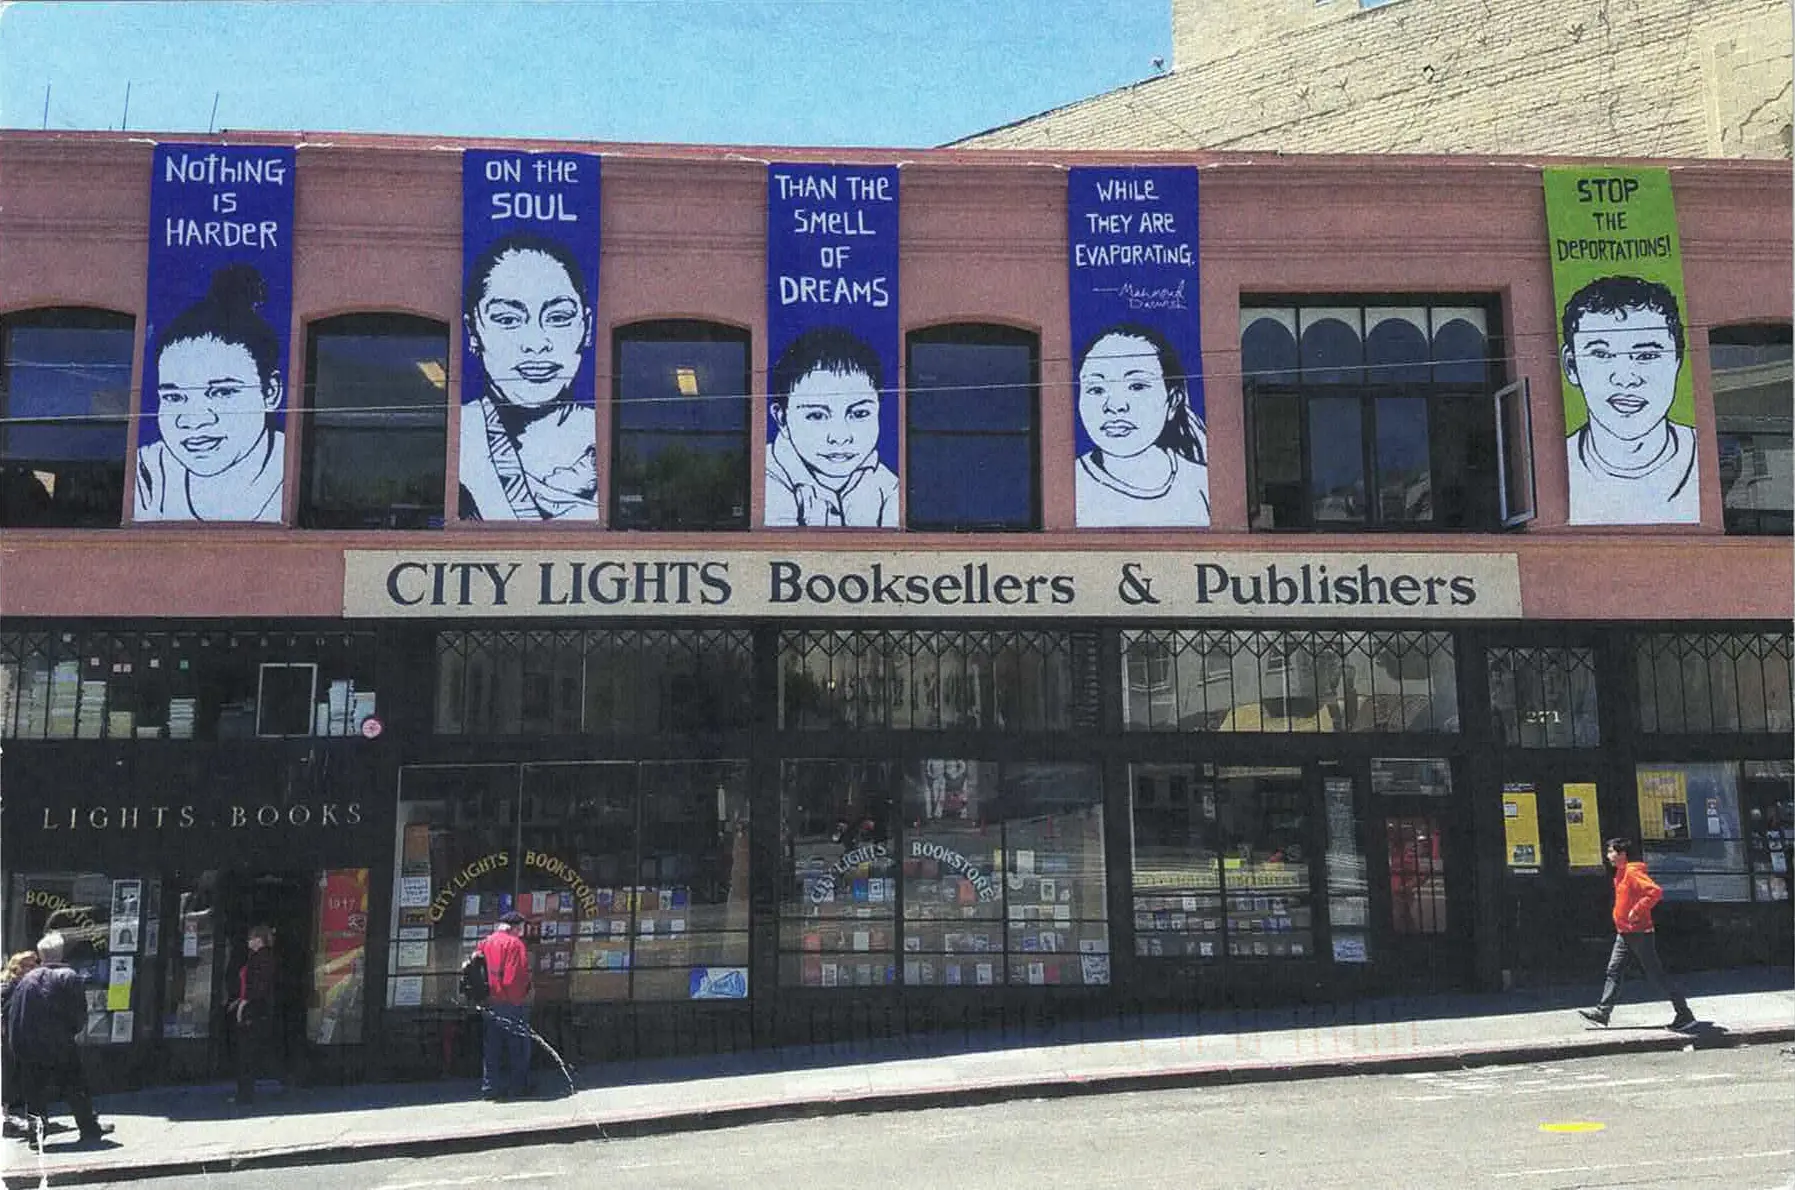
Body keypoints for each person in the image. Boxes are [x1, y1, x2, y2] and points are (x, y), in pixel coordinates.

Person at [459, 232, 598, 521]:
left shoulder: (608, 436)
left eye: (558, 317)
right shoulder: (463, 431)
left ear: (586, 327)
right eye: (508, 319)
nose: (536, 343)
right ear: (473, 331)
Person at [136, 264, 286, 523]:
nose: (193, 419)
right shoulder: (149, 473)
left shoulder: (297, 468)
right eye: (173, 397)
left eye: (222, 392)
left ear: (270, 393)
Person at [1559, 275, 1699, 525]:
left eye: (1646, 355)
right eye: (1601, 354)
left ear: (1677, 361)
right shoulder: (1556, 466)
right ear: (1571, 365)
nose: (1625, 379)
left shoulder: (1703, 455)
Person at [1074, 323, 1210, 527]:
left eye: (1137, 386)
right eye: (1096, 389)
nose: (1115, 406)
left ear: (1173, 400)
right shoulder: (1071, 482)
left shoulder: (1198, 483)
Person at [765, 326, 898, 527]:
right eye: (817, 415)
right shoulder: (768, 476)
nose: (840, 436)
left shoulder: (886, 485)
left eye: (859, 414)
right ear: (781, 419)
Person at [4, 933, 111, 1147]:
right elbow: (78, 1014)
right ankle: (88, 1127)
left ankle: (36, 1135)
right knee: (75, 1086)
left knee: (34, 1093)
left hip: (29, 1045)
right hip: (59, 1043)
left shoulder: (27, 980)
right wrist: (71, 1032)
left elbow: (16, 1012)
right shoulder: (69, 976)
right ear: (61, 953)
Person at [1579, 838, 1696, 1030]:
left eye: (1611, 852)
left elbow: (1654, 892)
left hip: (1640, 932)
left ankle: (1684, 1014)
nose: (1608, 856)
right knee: (1614, 971)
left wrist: (1637, 910)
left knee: (1656, 975)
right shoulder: (1621, 873)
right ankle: (1603, 1012)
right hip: (1625, 932)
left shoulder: (1632, 872)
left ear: (1622, 854)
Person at [475, 910, 533, 1100]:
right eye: (520, 928)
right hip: (510, 1001)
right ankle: (518, 1086)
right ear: (514, 928)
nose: (521, 932)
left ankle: (490, 1087)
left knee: (492, 1046)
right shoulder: (515, 945)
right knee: (518, 1045)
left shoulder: (486, 942)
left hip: (489, 1000)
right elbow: (513, 978)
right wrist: (520, 998)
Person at [227, 925, 277, 1105]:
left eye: (252, 938)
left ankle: (245, 1094)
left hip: (254, 1010)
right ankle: (244, 1092)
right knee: (244, 1052)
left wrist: (244, 1003)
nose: (249, 941)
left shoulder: (263, 958)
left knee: (246, 1053)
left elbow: (259, 986)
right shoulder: (255, 957)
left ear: (259, 940)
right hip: (248, 1006)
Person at [1, 949, 40, 1138]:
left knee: (12, 1078)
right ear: (18, 967)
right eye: (29, 966)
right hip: (7, 1039)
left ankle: (7, 1118)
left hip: (15, 1038)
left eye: (35, 965)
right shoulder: (10, 986)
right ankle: (5, 1119)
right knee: (7, 1079)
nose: (34, 969)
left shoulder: (22, 985)